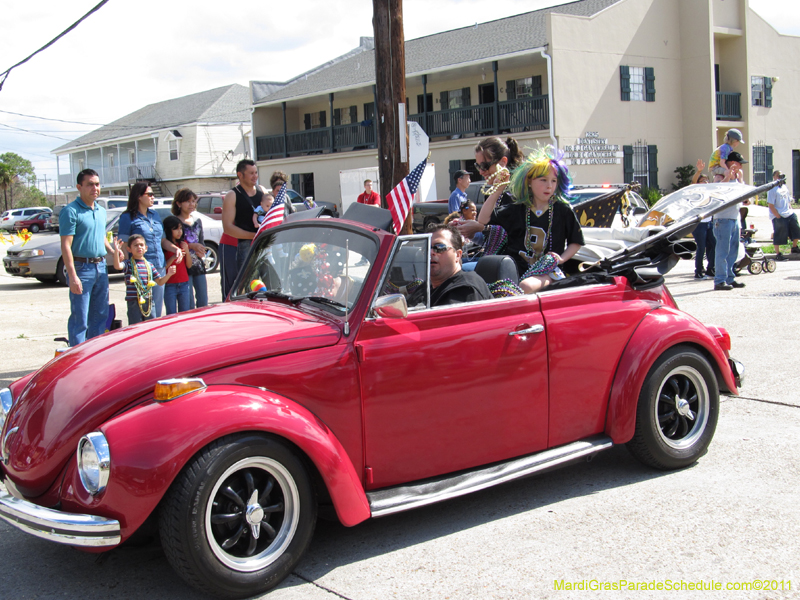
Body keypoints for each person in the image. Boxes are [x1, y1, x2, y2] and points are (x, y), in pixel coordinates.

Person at [60, 169, 119, 346]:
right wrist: (72, 276)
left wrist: (113, 251)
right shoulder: (71, 211)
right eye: (90, 184)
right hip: (81, 269)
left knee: (100, 315)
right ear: (79, 187)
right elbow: (66, 245)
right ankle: (77, 358)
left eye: (97, 184)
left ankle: (94, 355)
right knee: (81, 318)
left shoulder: (101, 210)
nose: (95, 188)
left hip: (100, 268)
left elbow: (100, 236)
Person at [119, 182, 183, 317]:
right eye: (149, 194)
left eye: (153, 194)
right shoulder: (127, 217)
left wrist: (174, 248)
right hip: (140, 268)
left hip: (158, 265)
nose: (153, 197)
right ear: (138, 196)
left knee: (156, 307)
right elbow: (124, 245)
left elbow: (162, 240)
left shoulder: (155, 215)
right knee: (141, 306)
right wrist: (127, 268)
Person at [112, 235, 176, 324]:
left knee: (151, 325)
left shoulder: (150, 265)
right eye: (136, 245)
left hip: (148, 300)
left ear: (146, 248)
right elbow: (117, 266)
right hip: (134, 301)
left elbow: (160, 282)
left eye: (141, 245)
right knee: (135, 326)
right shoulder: (128, 264)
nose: (139, 247)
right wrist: (116, 252)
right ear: (129, 249)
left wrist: (169, 274)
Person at [425, 224, 492, 306]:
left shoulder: (465, 289)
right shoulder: (424, 288)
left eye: (439, 247)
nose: (431, 252)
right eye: (426, 247)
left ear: (457, 255)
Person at [222, 159, 270, 274]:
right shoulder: (232, 195)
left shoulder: (262, 190)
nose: (255, 176)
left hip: (265, 243)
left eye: (256, 172)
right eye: (251, 173)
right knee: (248, 285)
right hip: (246, 246)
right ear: (240, 175)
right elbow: (228, 228)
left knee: (272, 284)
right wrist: (254, 236)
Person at [713, 152, 750, 290]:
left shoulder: (738, 179)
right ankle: (720, 280)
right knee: (722, 251)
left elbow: (746, 200)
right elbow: (716, 192)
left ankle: (730, 277)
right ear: (731, 163)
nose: (741, 166)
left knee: (733, 251)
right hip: (722, 219)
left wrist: (740, 180)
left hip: (735, 218)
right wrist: (728, 176)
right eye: (739, 163)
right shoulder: (720, 176)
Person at [172, 188, 208, 308]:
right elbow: (174, 243)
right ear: (179, 203)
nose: (191, 204)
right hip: (183, 265)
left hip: (198, 264)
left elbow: (201, 241)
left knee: (203, 300)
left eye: (193, 201)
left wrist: (202, 251)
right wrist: (191, 246)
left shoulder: (197, 221)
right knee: (188, 303)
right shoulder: (175, 221)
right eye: (188, 201)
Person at [767, 170, 800, 260]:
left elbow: (788, 200)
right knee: (779, 233)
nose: (780, 177)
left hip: (788, 213)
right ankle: (778, 253)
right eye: (778, 175)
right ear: (774, 177)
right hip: (779, 214)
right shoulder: (772, 189)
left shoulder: (785, 187)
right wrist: (777, 215)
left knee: (796, 230)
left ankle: (794, 247)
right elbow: (770, 205)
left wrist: (790, 209)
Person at [162, 216, 193, 313]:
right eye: (175, 229)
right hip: (169, 284)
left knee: (185, 312)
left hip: (184, 283)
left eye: (181, 228)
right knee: (171, 313)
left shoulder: (183, 244)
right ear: (167, 230)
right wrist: (173, 257)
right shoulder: (165, 246)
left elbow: (189, 265)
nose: (179, 231)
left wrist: (187, 251)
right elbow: (164, 267)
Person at [691, 159, 715, 279]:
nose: (704, 182)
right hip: (699, 224)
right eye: (702, 180)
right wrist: (699, 171)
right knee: (701, 247)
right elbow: (693, 182)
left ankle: (711, 268)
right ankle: (698, 270)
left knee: (713, 244)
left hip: (709, 222)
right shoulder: (696, 192)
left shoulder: (710, 192)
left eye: (706, 180)